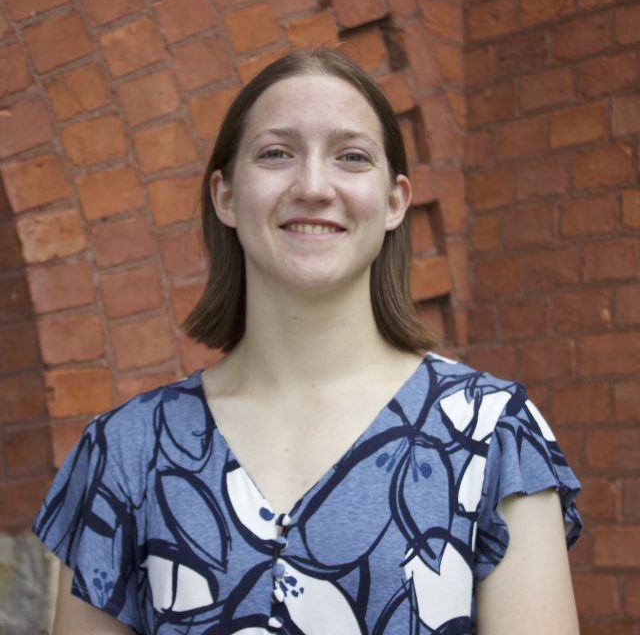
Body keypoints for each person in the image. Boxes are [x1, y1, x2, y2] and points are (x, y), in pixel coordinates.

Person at [34, 48, 582, 635]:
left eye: (351, 156)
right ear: (224, 196)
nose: (314, 186)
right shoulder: (126, 452)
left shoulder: (491, 436)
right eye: (276, 153)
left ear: (396, 202)